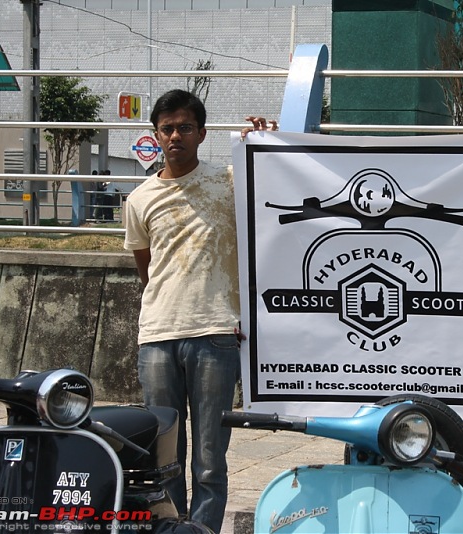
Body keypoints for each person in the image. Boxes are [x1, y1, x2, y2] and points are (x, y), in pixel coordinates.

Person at [123, 88, 276, 532]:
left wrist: (264, 140)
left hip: (216, 334)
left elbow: (277, 173)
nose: (175, 135)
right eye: (167, 128)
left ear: (202, 133)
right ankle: (171, 528)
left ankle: (204, 529)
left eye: (185, 127)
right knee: (164, 454)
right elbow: (146, 267)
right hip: (156, 336)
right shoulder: (139, 200)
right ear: (155, 135)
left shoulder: (229, 181)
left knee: (210, 456)